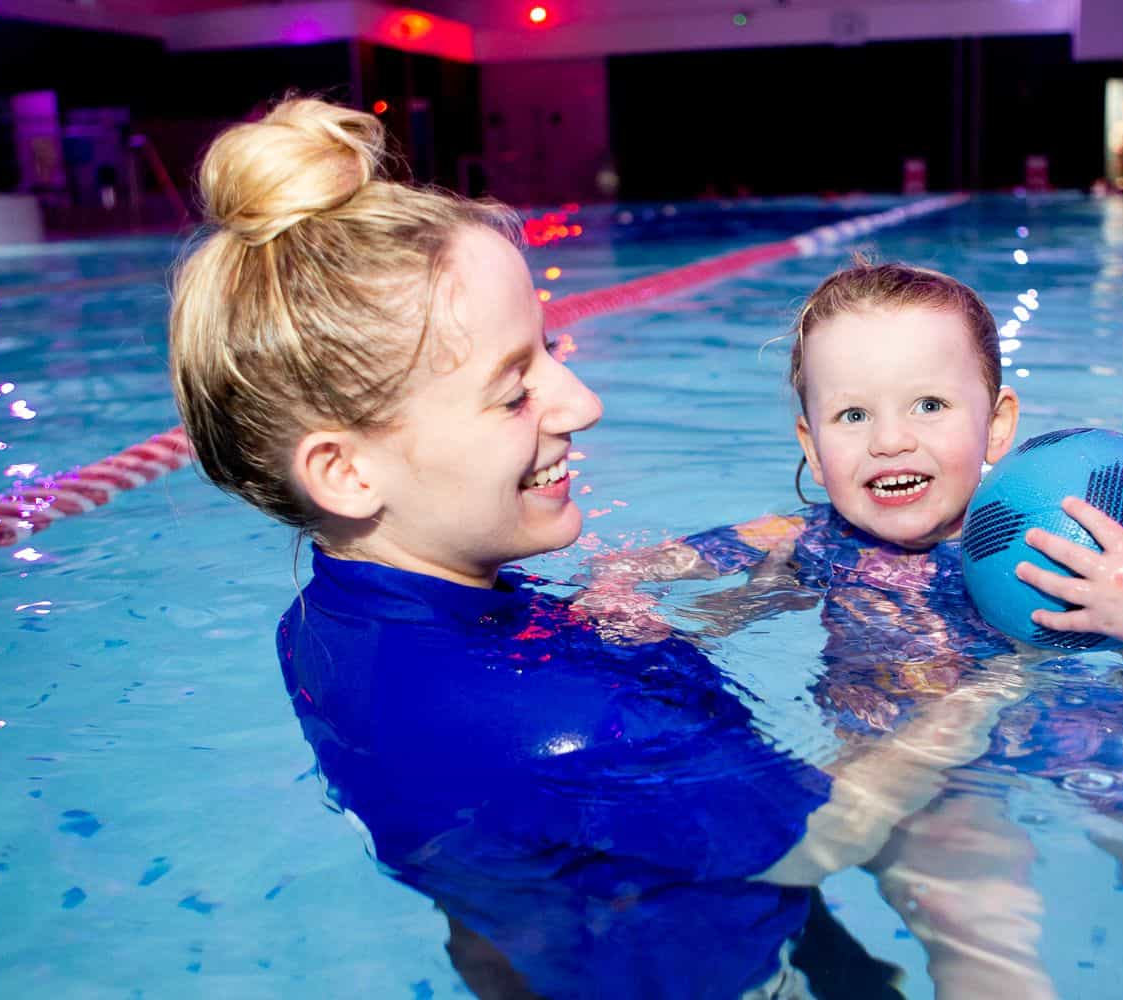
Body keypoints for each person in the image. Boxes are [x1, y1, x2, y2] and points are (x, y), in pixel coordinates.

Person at [166, 97, 1027, 999]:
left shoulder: (320, 627)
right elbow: (826, 832)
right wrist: (997, 686)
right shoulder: (579, 729)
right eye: (515, 391)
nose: (580, 402)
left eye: (551, 351)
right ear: (343, 473)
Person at [582, 261, 1123, 998]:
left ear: (996, 423)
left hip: (1069, 731)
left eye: (929, 405)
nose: (890, 441)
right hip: (919, 779)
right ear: (812, 444)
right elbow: (647, 566)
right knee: (979, 929)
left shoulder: (1055, 546)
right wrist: (616, 594)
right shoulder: (810, 537)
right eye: (853, 416)